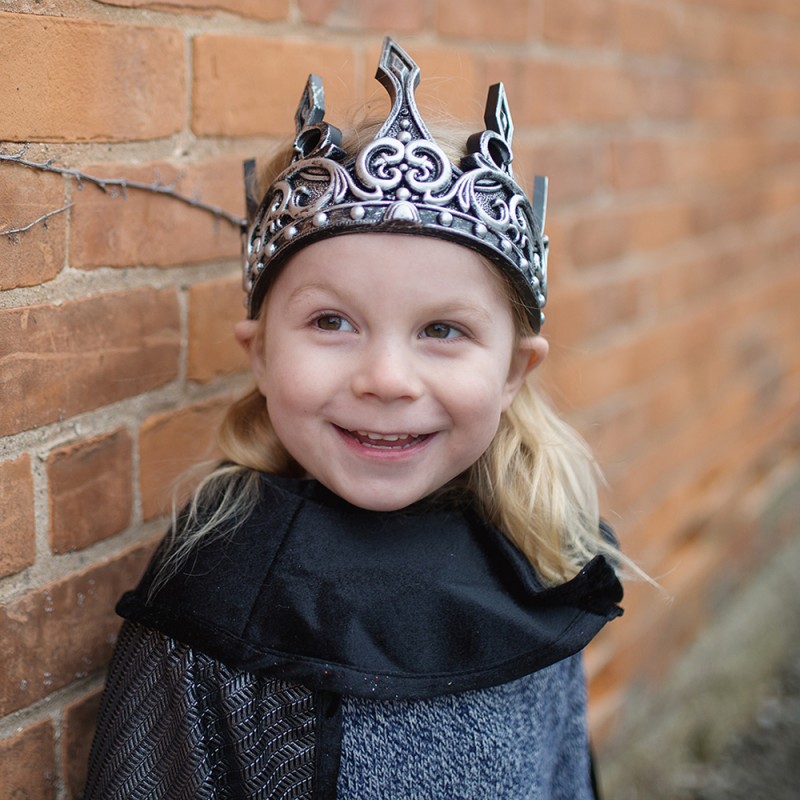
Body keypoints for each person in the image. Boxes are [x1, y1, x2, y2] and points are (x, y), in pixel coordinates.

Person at [85, 38, 629, 799]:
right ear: (260, 354)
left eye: (442, 330)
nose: (386, 380)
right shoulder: (216, 594)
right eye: (332, 322)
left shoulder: (541, 552)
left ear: (514, 371)